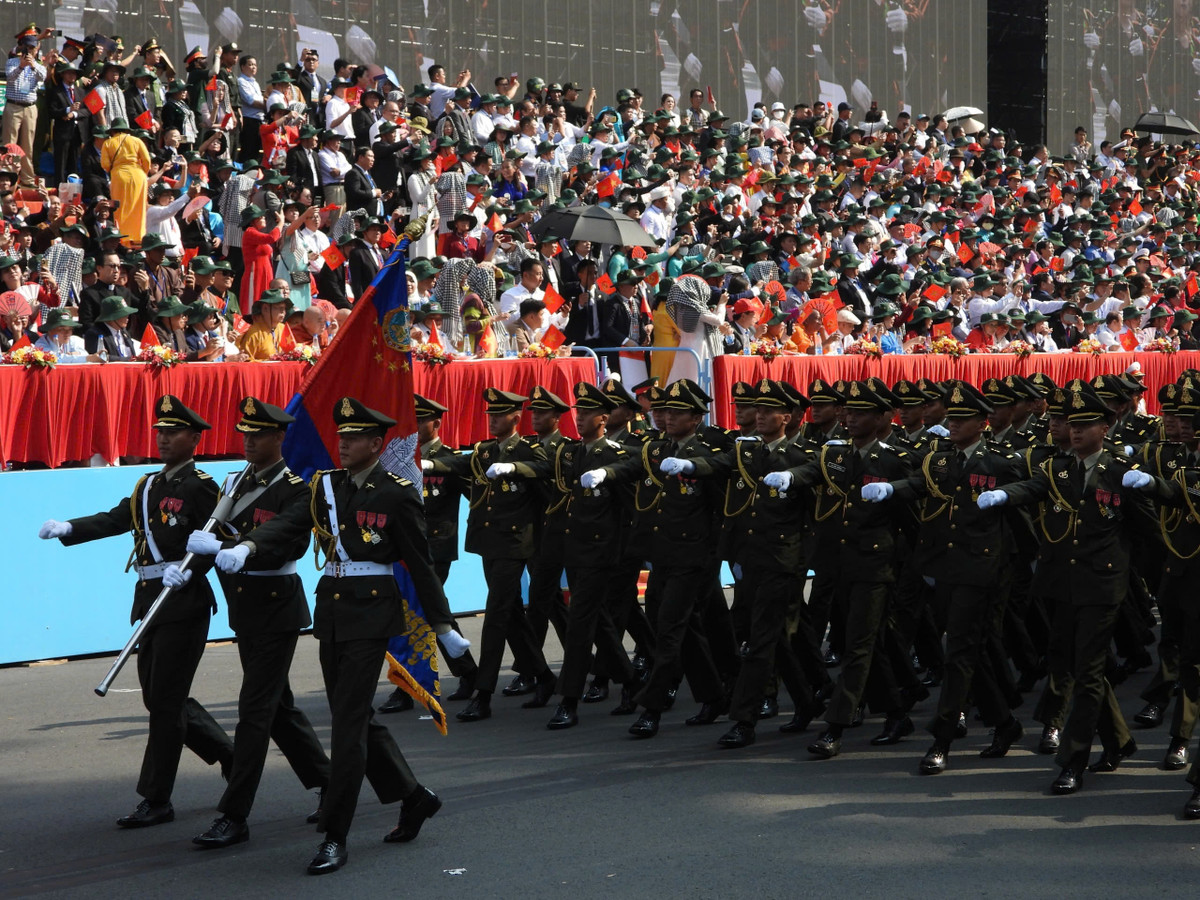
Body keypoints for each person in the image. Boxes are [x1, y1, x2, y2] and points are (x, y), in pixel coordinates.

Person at [37, 395, 234, 827]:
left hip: (183, 600)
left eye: (173, 432)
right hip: (149, 598)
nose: (163, 439)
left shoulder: (202, 487)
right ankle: (230, 756)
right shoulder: (147, 485)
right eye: (160, 432)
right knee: (159, 696)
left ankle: (156, 798)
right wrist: (70, 527)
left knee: (164, 702)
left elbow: (214, 540)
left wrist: (191, 570)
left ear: (194, 438)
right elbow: (117, 518)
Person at [978, 380, 1156, 794]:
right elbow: (1033, 487)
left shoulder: (1120, 473)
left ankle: (1073, 759)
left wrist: (1158, 577)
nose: (1075, 431)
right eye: (1072, 424)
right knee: (1073, 664)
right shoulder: (1059, 467)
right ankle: (1118, 740)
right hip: (1061, 583)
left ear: (1105, 427)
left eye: (1085, 424)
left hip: (1101, 585)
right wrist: (1003, 495)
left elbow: (1148, 531)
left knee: (1089, 672)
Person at [304, 397, 450, 874]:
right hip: (333, 610)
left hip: (372, 614)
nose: (343, 444)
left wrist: (442, 624)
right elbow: (297, 527)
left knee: (347, 727)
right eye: (340, 437)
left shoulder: (396, 492)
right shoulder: (328, 486)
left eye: (353, 438)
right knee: (353, 717)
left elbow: (420, 562)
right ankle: (414, 796)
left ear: (375, 443)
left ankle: (335, 833)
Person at [185, 397, 331, 849]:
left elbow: (283, 536)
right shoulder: (234, 481)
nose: (249, 441)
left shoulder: (297, 489)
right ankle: (331, 783)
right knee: (277, 708)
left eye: (259, 435)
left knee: (254, 709)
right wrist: (187, 566)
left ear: (279, 437)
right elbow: (213, 534)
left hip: (275, 606)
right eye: (245, 434)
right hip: (245, 607)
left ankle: (234, 814)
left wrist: (241, 547)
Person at [862, 381, 1027, 773]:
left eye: (963, 418)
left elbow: (1025, 502)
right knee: (971, 651)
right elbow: (921, 485)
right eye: (952, 417)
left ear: (982, 422)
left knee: (958, 654)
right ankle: (1005, 722)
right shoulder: (940, 459)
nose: (953, 424)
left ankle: (942, 739)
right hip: (945, 567)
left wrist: (1021, 560)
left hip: (981, 570)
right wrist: (891, 489)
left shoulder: (1000, 461)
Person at [766, 379, 916, 758]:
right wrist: (791, 477)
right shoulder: (836, 453)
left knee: (857, 646)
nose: (851, 419)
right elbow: (812, 471)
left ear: (882, 417)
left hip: (876, 566)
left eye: (861, 413)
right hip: (842, 563)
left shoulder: (894, 459)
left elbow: (913, 517)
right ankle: (898, 712)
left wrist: (914, 565)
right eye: (849, 412)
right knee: (870, 642)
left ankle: (835, 727)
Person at [583, 379, 730, 738]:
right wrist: (605, 472)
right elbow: (632, 467)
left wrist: (693, 467)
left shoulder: (707, 449)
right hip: (662, 553)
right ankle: (714, 696)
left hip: (693, 555)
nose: (668, 417)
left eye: (678, 412)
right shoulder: (658, 448)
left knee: (669, 630)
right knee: (685, 629)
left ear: (696, 418)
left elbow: (720, 496)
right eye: (666, 411)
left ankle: (653, 708)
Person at [424, 389, 557, 723]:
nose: (493, 420)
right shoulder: (485, 450)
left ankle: (483, 694)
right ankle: (544, 676)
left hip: (515, 544)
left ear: (516, 418)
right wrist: (430, 464)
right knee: (510, 615)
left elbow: (546, 468)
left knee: (496, 615)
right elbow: (459, 462)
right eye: (490, 415)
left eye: (499, 415)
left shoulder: (528, 449)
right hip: (489, 543)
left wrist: (514, 467)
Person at [100, 118, 152, 243]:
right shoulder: (137, 140)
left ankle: (122, 239)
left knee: (120, 208)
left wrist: (114, 168)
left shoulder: (108, 143)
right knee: (139, 207)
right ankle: (138, 239)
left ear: (112, 131)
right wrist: (143, 173)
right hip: (138, 175)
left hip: (119, 176)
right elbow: (147, 160)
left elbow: (105, 164)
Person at [33, 308, 101, 363]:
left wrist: (77, 355)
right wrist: (86, 358)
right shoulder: (40, 345)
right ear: (50, 330)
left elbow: (84, 353)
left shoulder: (74, 340)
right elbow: (55, 358)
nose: (67, 333)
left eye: (70, 329)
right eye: (62, 329)